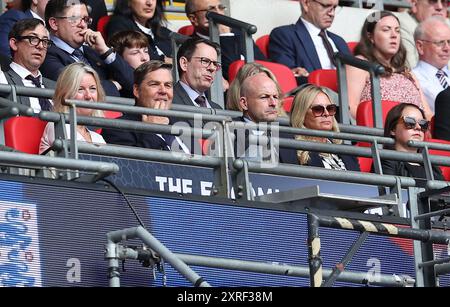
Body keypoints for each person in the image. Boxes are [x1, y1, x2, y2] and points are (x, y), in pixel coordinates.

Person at [347, 11, 433, 121]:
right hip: (380, 134)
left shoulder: (407, 72)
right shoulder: (360, 64)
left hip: (416, 132)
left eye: (397, 31)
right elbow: (352, 108)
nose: (394, 35)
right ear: (370, 36)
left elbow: (428, 114)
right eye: (386, 30)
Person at [42, 0, 134, 97]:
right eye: (74, 19)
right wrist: (114, 85)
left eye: (85, 19)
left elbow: (134, 83)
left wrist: (105, 51)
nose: (83, 25)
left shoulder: (93, 51)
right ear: (54, 23)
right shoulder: (46, 54)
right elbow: (78, 90)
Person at [102, 60, 189, 153]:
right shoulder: (117, 128)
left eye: (168, 85)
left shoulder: (181, 124)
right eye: (154, 84)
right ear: (136, 90)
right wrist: (153, 131)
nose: (163, 91)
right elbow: (133, 165)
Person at [268, 0, 350, 84]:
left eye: (334, 7)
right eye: (325, 6)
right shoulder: (284, 35)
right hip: (313, 93)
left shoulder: (339, 41)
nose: (332, 14)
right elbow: (287, 79)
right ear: (306, 4)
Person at [281, 84, 360, 170]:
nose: (326, 113)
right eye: (318, 109)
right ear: (302, 114)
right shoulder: (292, 150)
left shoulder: (346, 151)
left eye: (330, 108)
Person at [184, 0, 267, 80]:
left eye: (221, 7)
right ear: (193, 18)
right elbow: (232, 75)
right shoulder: (191, 46)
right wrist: (225, 36)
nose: (219, 13)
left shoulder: (240, 34)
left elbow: (265, 67)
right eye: (211, 9)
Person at [39, 62, 106, 154]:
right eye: (80, 89)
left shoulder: (98, 138)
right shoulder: (57, 127)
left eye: (93, 88)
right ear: (66, 94)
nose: (88, 96)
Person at [0, 18, 55, 112]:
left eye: (45, 41)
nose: (40, 46)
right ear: (14, 44)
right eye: (33, 39)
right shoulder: (2, 80)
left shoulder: (56, 87)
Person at [380, 102, 443, 180]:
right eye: (410, 122)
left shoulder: (433, 166)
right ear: (393, 129)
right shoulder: (384, 160)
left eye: (423, 123)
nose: (418, 127)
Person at [106, 0, 172, 63]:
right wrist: (166, 61)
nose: (149, 3)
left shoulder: (162, 31)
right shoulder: (119, 25)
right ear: (128, 1)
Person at [174, 37, 222, 113]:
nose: (212, 68)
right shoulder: (168, 101)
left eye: (215, 64)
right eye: (205, 61)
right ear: (184, 64)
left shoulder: (218, 109)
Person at [412, 16, 450, 113]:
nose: (447, 48)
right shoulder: (414, 79)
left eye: (449, 42)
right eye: (440, 43)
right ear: (420, 46)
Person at [397, 0, 449, 68]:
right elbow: (413, 69)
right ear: (415, 5)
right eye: (432, 1)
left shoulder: (447, 24)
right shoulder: (400, 23)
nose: (440, 7)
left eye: (444, 2)